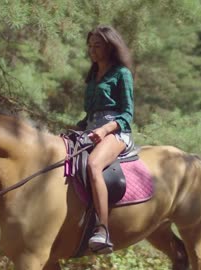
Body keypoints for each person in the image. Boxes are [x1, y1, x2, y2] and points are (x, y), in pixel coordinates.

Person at [76, 25, 134, 254]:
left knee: (93, 165)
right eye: (90, 46)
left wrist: (105, 130)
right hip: (91, 130)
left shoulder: (122, 73)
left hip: (116, 132)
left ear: (110, 46)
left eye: (97, 45)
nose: (92, 50)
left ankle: (103, 230)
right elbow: (91, 113)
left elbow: (128, 114)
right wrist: (77, 127)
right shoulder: (92, 75)